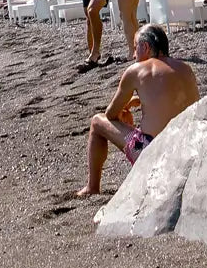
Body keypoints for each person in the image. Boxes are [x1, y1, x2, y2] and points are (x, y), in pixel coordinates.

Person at [75, 23, 200, 197]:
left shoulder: (137, 70)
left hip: (151, 152)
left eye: (135, 48)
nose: (134, 55)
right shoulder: (185, 69)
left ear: (145, 47)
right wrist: (137, 101)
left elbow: (110, 114)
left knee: (97, 122)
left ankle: (92, 187)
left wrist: (123, 113)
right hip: (187, 148)